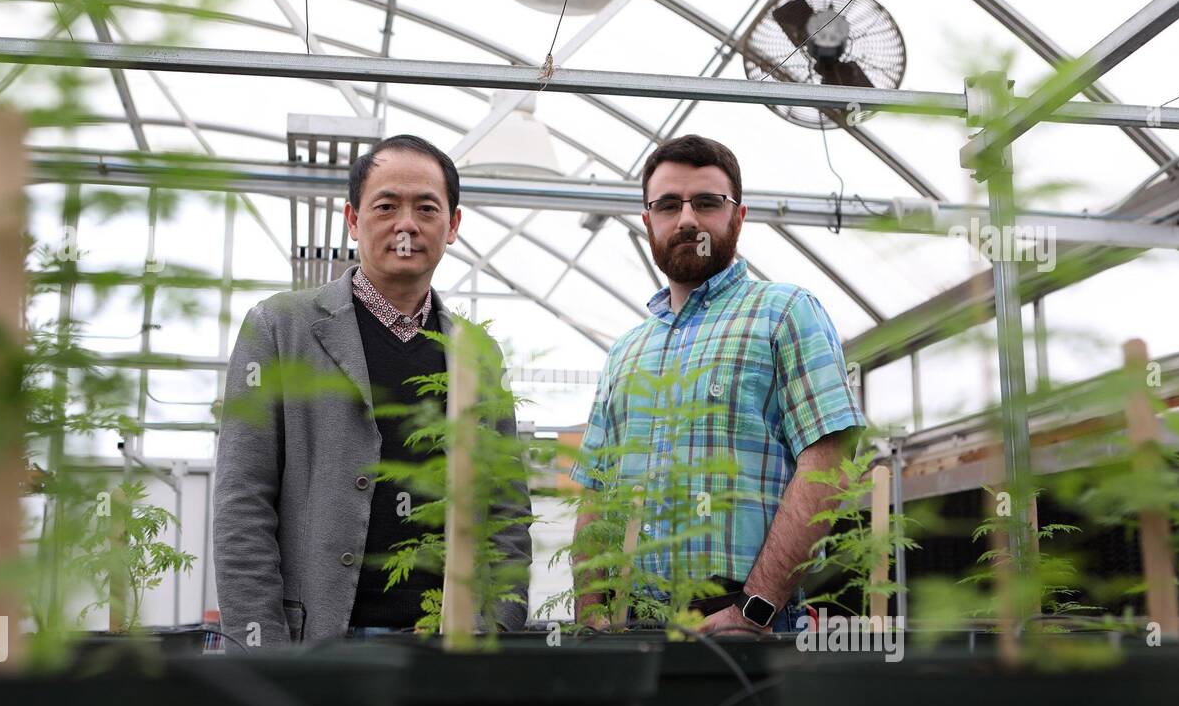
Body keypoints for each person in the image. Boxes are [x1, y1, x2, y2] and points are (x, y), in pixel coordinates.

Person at [214, 134, 531, 645]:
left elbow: (507, 509)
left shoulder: (477, 353)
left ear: (452, 226)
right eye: (386, 206)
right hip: (318, 643)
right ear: (354, 220)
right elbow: (242, 500)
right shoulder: (280, 329)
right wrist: (262, 648)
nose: (406, 224)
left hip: (451, 647)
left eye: (427, 208)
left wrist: (499, 625)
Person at [569, 135, 865, 634]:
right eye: (668, 205)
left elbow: (828, 459)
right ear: (648, 223)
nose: (687, 219)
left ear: (738, 217)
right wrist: (591, 613)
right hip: (630, 629)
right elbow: (596, 495)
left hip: (747, 626)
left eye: (707, 203)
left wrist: (756, 607)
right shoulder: (625, 351)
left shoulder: (785, 313)